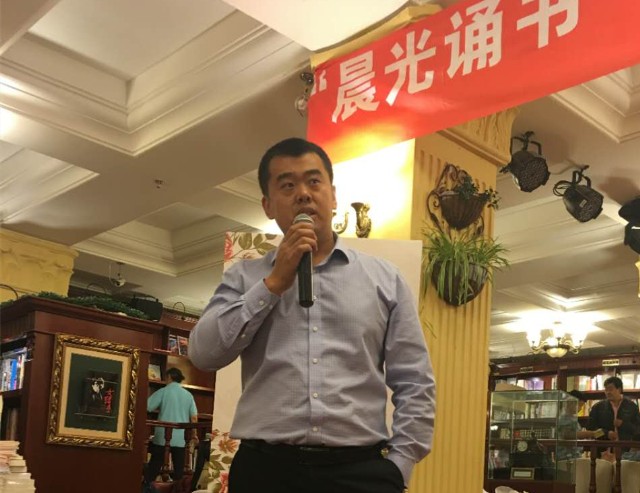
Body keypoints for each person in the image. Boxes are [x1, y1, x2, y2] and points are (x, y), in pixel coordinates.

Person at [188, 137, 436, 493]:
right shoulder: (244, 278)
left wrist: (400, 464)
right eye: (288, 185)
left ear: (333, 196)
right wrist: (273, 283)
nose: (303, 194)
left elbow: (414, 379)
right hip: (266, 472)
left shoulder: (385, 279)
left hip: (360, 472)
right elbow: (204, 354)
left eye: (314, 181)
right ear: (268, 205)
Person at [144, 367, 198, 486]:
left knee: (154, 466)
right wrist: (194, 435)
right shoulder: (188, 395)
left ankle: (147, 487)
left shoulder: (163, 391)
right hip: (181, 438)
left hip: (162, 437)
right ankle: (177, 488)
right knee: (179, 469)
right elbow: (194, 418)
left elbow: (147, 406)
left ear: (169, 377)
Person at [588, 376, 640, 454]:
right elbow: (591, 429)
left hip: (626, 452)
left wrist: (623, 424)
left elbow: (637, 430)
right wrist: (606, 433)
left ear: (619, 389)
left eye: (610, 389)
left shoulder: (631, 407)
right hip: (603, 451)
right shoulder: (597, 407)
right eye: (606, 390)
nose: (608, 392)